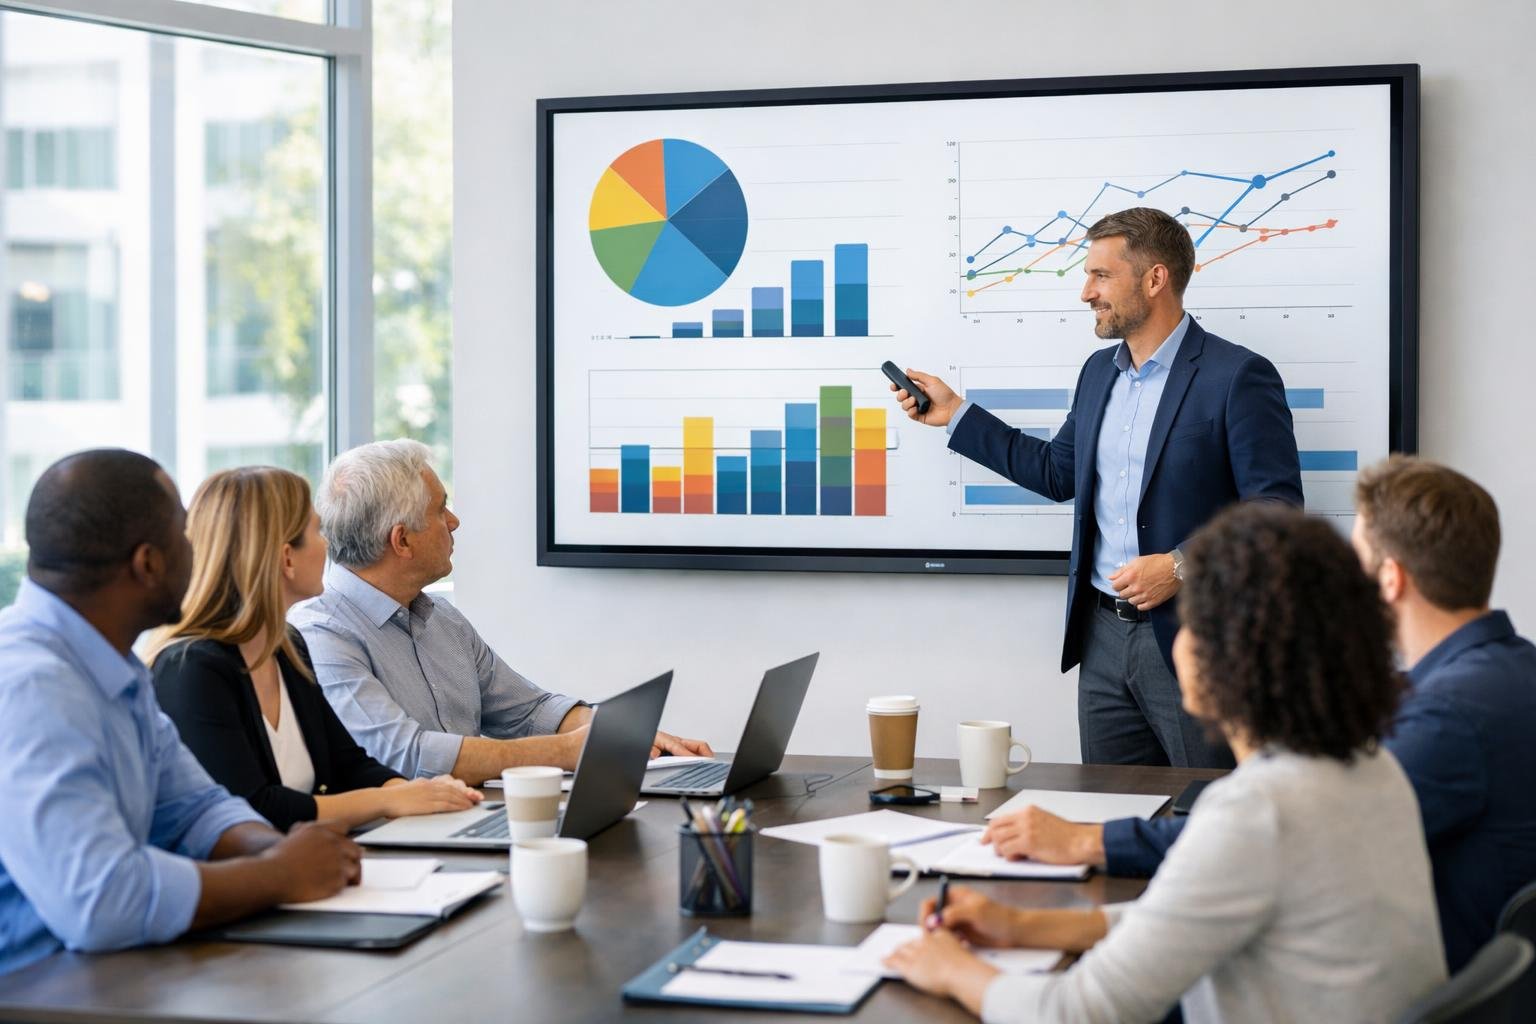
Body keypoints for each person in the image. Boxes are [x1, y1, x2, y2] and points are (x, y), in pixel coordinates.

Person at [884, 503, 1445, 1023]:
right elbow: (1191, 917)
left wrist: (952, 970)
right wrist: (1021, 925)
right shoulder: (1369, 770)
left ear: (1228, 653)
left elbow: (1074, 1013)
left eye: (1189, 618)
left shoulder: (1257, 813)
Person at [983, 455, 1536, 972]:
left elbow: (1269, 839)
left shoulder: (1448, 716)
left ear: (1390, 580)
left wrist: (1089, 842)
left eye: (1357, 561)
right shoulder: (1507, 671)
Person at [893, 208, 1301, 768]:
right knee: (1113, 813)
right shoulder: (1097, 373)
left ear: (1155, 279)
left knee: (1205, 813)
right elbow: (1058, 473)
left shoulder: (1237, 376)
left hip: (1197, 641)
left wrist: (1180, 566)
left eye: (1101, 276)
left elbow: (1277, 511)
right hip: (1102, 639)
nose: (1086, 292)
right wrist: (957, 414)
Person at [0, 450, 360, 975]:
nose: (200, 550)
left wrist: (283, 849)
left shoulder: (112, 664)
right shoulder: (32, 686)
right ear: (149, 563)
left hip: (112, 972)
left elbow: (195, 808)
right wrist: (279, 875)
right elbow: (102, 903)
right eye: (185, 533)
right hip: (42, 989)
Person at [290, 439, 713, 784]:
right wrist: (565, 752)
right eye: (440, 509)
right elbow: (407, 754)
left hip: (468, 816)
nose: (454, 522)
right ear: (401, 541)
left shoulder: (443, 618)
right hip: (395, 845)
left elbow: (529, 711)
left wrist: (625, 736)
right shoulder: (321, 634)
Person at [149, 467, 483, 832]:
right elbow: (253, 807)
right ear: (287, 558)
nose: (329, 547)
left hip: (308, 866)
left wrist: (419, 793)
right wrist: (391, 799)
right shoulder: (191, 669)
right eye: (317, 531)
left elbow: (349, 765)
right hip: (254, 881)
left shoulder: (286, 646)